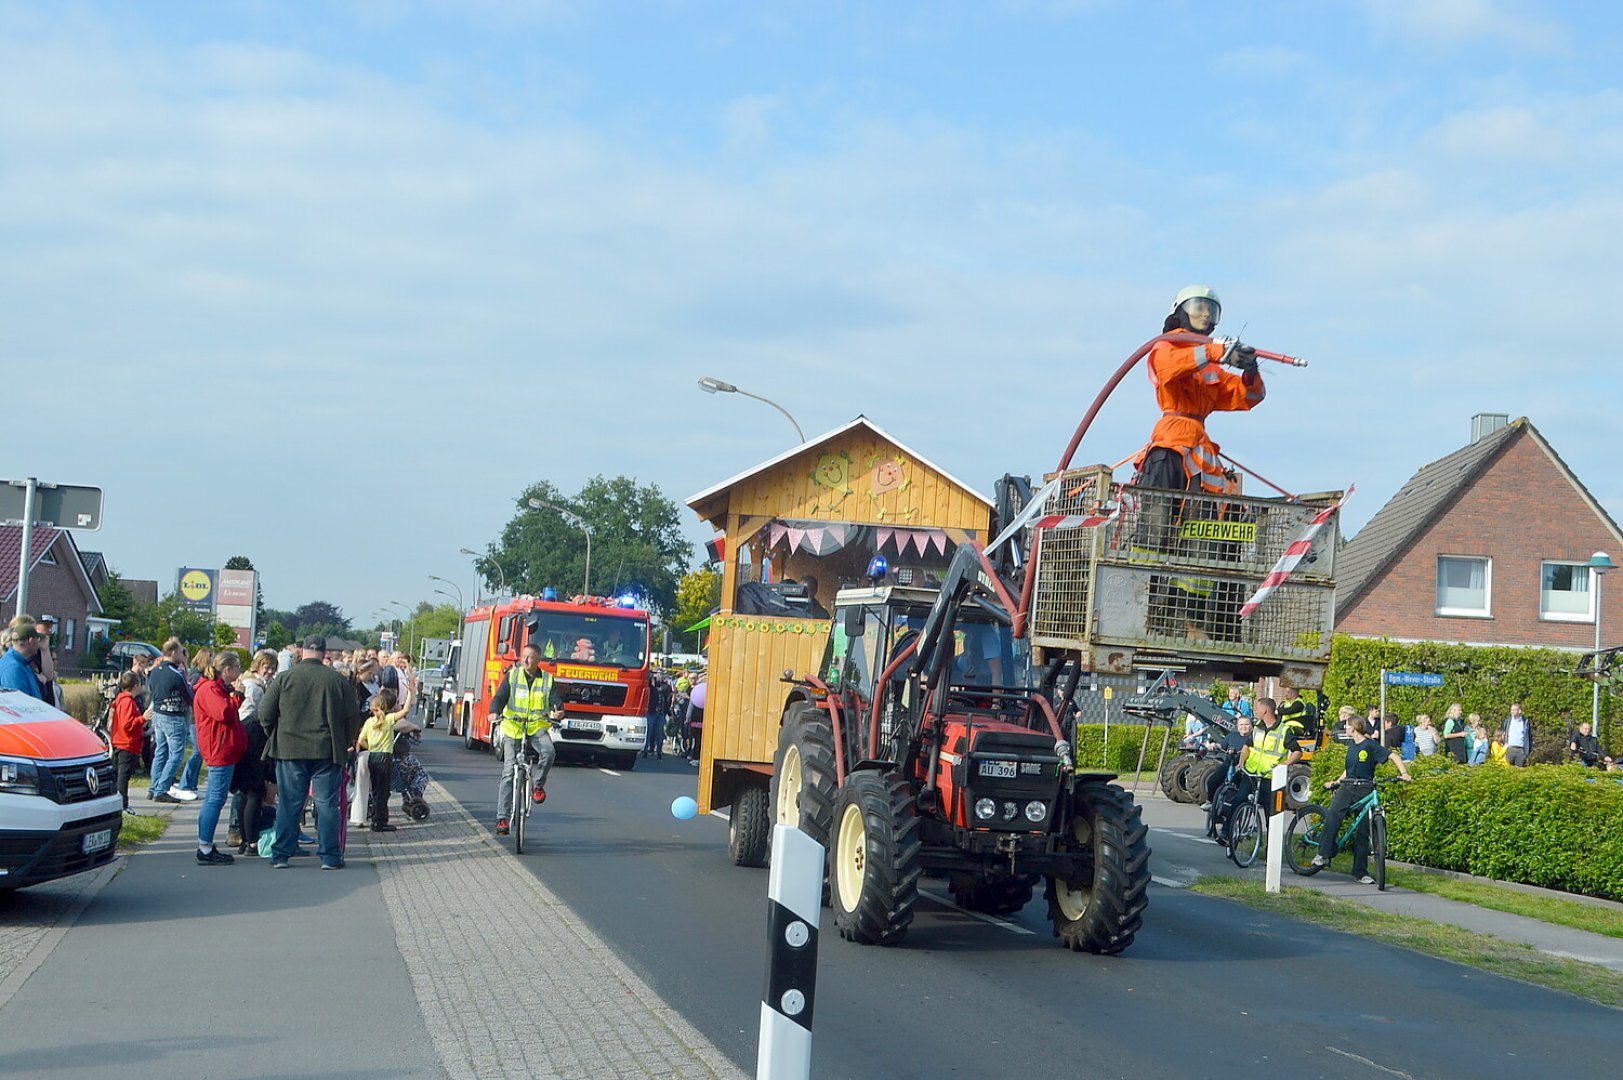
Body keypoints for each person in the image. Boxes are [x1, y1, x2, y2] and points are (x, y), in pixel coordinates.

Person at [1131, 285, 1266, 493]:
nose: (1205, 314)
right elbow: (1169, 367)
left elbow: (1250, 396)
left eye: (1211, 311)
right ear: (1181, 311)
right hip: (1170, 444)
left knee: (1204, 514)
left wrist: (1251, 371)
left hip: (1199, 446)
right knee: (1158, 513)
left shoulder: (1212, 367)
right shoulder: (1167, 346)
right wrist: (1211, 351)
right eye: (1199, 308)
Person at [258, 635, 362, 870]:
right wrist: (345, 740)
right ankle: (329, 857)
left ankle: (281, 855)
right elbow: (353, 716)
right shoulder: (336, 680)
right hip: (327, 749)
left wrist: (276, 734)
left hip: (289, 749)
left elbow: (265, 714)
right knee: (326, 805)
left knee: (289, 804)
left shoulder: (284, 678)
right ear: (324, 653)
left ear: (302, 651)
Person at [1310, 716, 1412, 883]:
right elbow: (1349, 768)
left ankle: (1360, 872)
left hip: (1364, 788)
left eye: (1347, 726)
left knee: (1364, 831)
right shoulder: (1351, 744)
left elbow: (1393, 756)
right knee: (1333, 816)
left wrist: (1404, 773)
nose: (1345, 728)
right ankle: (1323, 854)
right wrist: (1337, 781)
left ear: (1354, 728)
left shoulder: (1370, 745)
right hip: (1347, 786)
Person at [491, 642, 561, 836]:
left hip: (536, 728)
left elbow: (557, 702)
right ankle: (502, 818)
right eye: (524, 656)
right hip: (514, 729)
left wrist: (558, 712)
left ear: (538, 660)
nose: (525, 660)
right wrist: (493, 712)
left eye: (530, 657)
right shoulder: (513, 676)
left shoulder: (547, 679)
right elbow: (499, 698)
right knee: (508, 772)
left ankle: (537, 786)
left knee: (548, 751)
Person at [192, 650, 248, 866]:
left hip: (223, 747)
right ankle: (204, 847)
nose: (239, 672)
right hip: (219, 749)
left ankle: (205, 845)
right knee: (215, 799)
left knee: (214, 799)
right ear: (227, 669)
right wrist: (237, 698)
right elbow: (223, 713)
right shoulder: (210, 689)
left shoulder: (216, 688)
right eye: (237, 668)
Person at [230, 649, 278, 855]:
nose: (269, 671)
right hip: (252, 737)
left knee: (246, 793)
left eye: (272, 668)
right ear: (257, 666)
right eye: (266, 666)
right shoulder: (254, 687)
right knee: (254, 793)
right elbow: (255, 714)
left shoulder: (255, 684)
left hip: (246, 736)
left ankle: (243, 837)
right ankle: (250, 841)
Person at [355, 686, 418, 831]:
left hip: (373, 757)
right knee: (384, 791)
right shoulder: (388, 719)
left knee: (375, 789)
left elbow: (360, 740)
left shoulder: (369, 722)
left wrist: (370, 746)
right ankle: (380, 821)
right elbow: (405, 711)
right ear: (384, 707)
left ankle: (374, 818)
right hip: (385, 757)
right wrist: (410, 694)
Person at [146, 639, 199, 803]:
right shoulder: (176, 674)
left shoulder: (154, 671)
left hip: (158, 714)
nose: (183, 656)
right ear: (174, 652)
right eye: (181, 652)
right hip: (173, 716)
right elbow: (189, 696)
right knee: (176, 755)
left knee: (160, 752)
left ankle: (153, 787)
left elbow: (151, 690)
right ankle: (161, 789)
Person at [109, 671, 146, 813]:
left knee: (121, 774)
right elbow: (127, 725)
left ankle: (119, 802)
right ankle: (122, 804)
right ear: (135, 686)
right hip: (126, 743)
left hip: (122, 742)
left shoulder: (121, 699)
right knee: (123, 776)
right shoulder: (128, 702)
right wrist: (142, 719)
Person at [0, 617, 46, 699]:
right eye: (37, 638)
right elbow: (20, 704)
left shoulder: (23, 663)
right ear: (30, 641)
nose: (39, 642)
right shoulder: (13, 668)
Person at [31, 614, 60, 707]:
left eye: (51, 627)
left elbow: (49, 676)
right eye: (46, 626)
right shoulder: (30, 651)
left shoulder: (46, 648)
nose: (50, 630)